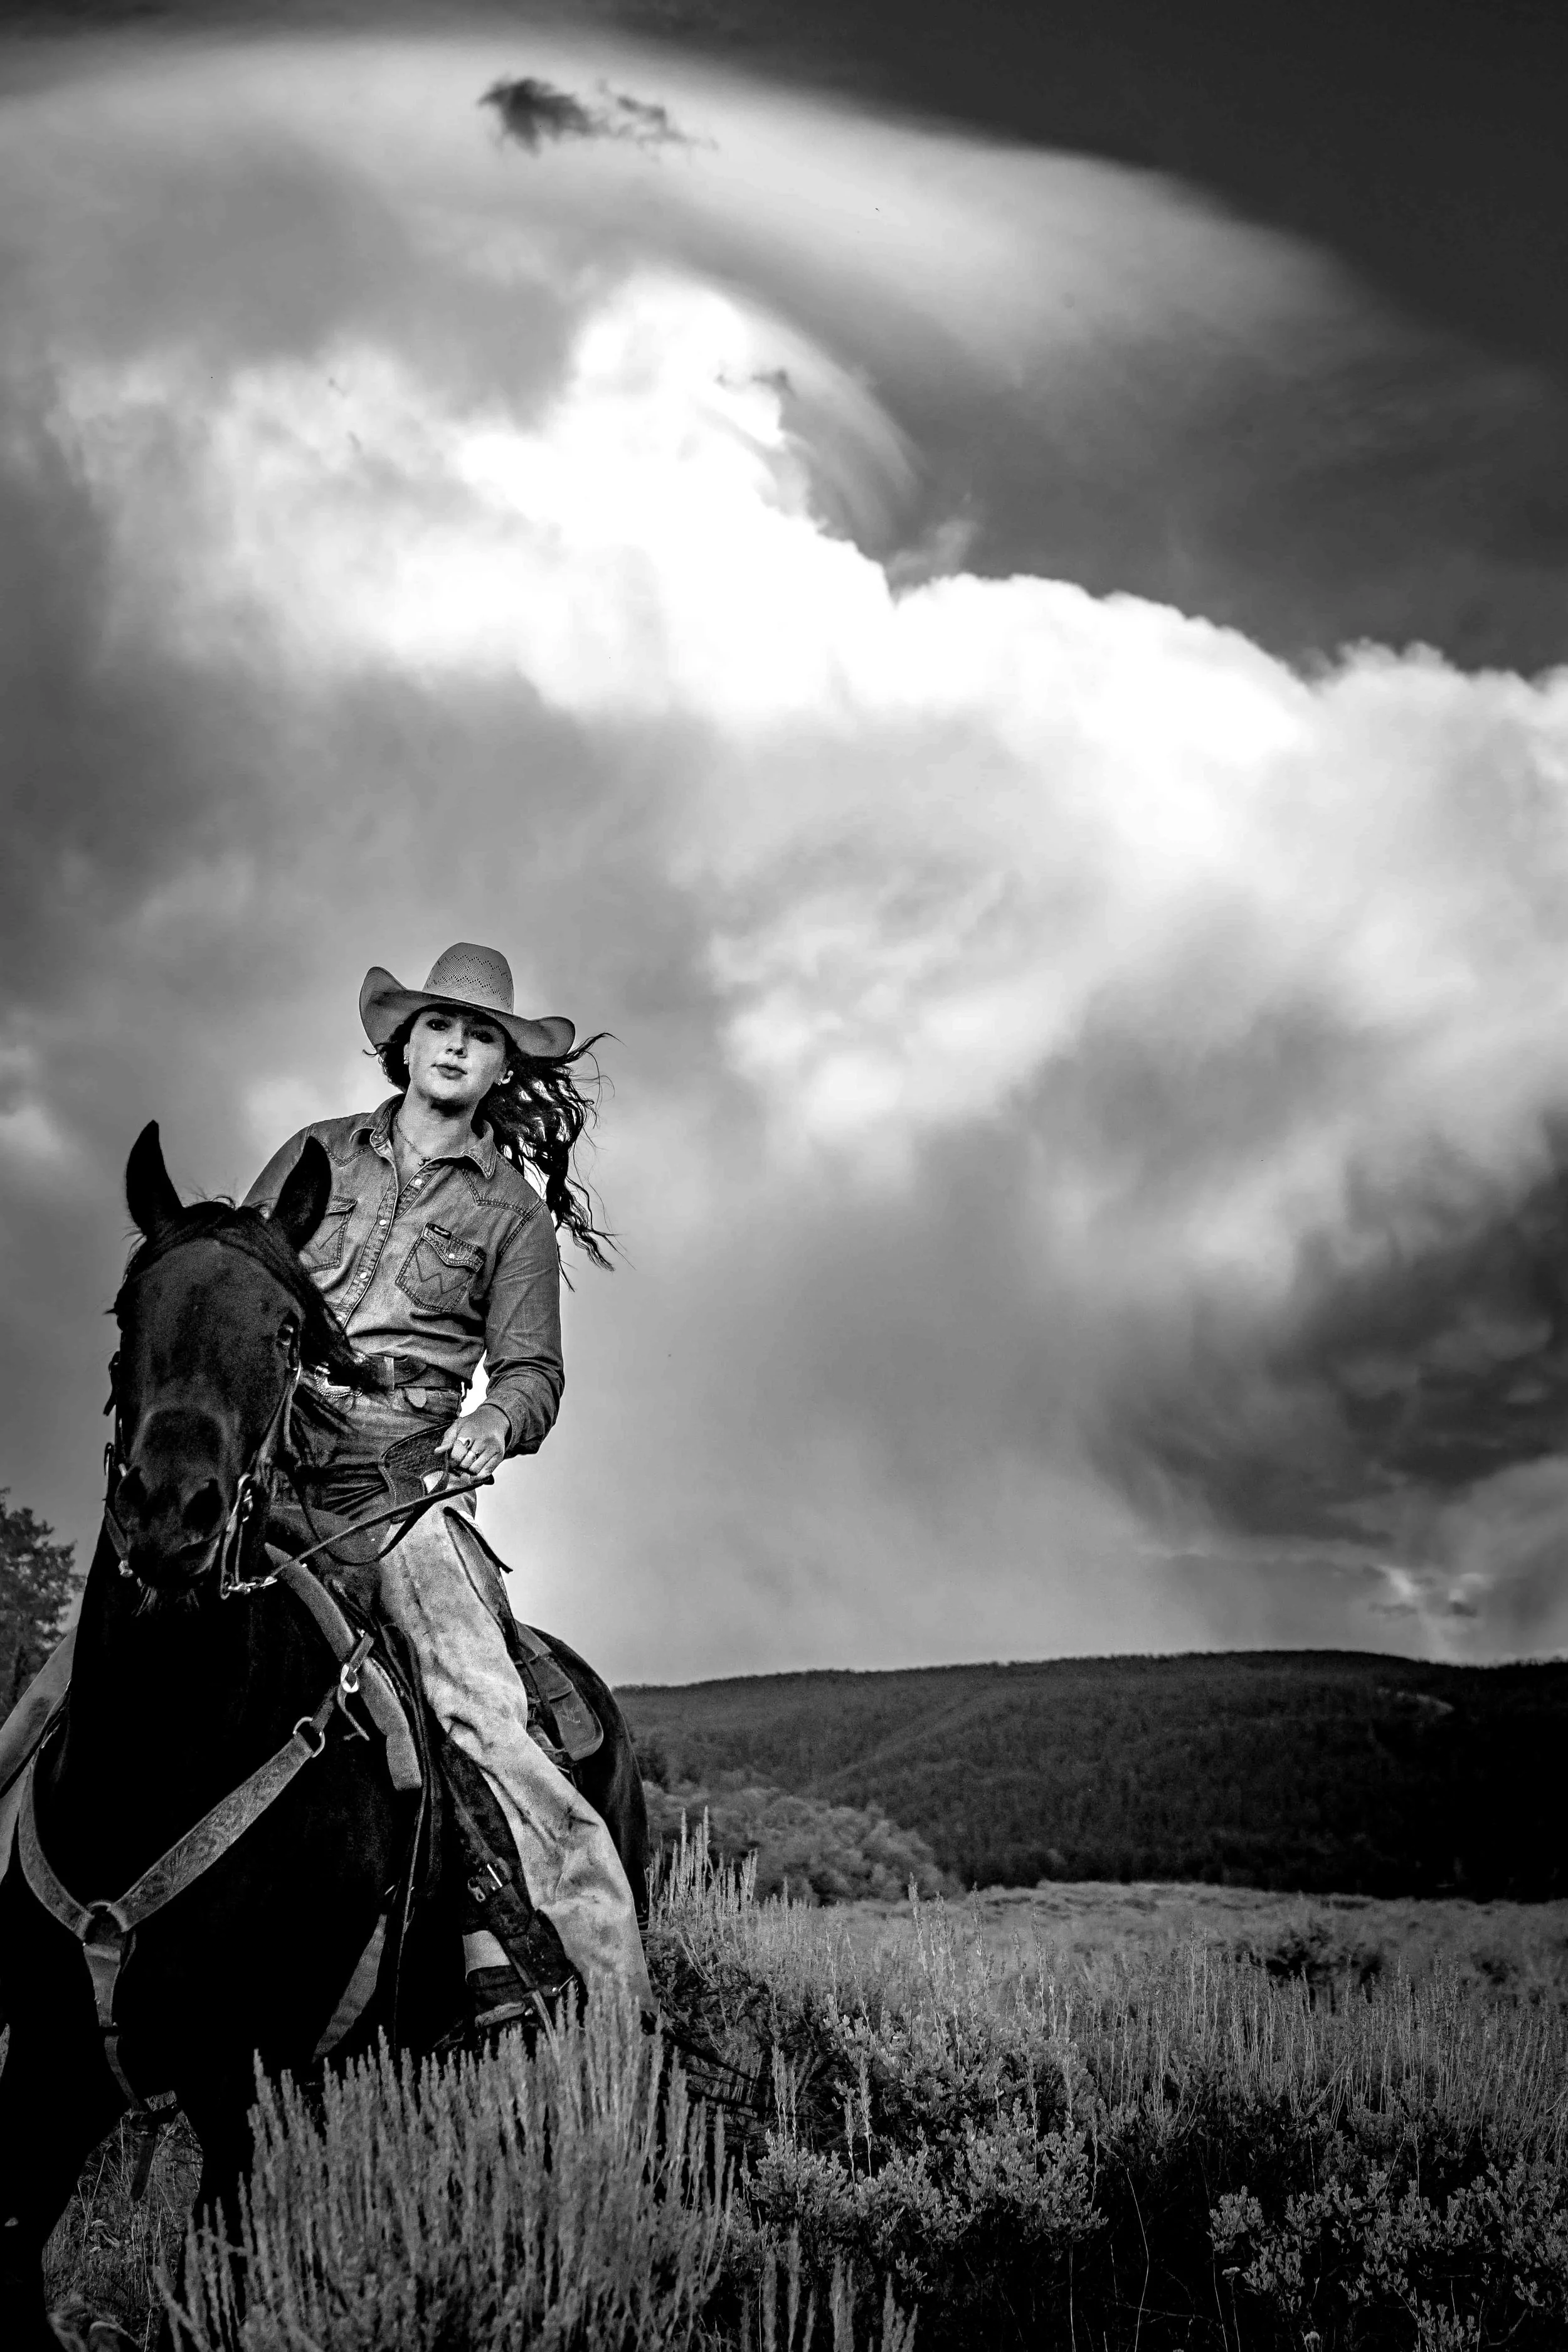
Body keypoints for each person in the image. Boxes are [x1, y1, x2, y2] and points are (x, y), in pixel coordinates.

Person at [241, 942, 652, 2017]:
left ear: (501, 1064)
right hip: (272, 1453)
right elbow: (242, 1280)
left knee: (479, 1701)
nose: (458, 1043)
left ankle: (584, 1979)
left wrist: (493, 1420)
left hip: (401, 1478)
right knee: (114, 1624)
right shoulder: (311, 1153)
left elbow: (534, 1373)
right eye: (441, 1025)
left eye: (481, 1033)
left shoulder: (511, 1213)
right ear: (404, 1042)